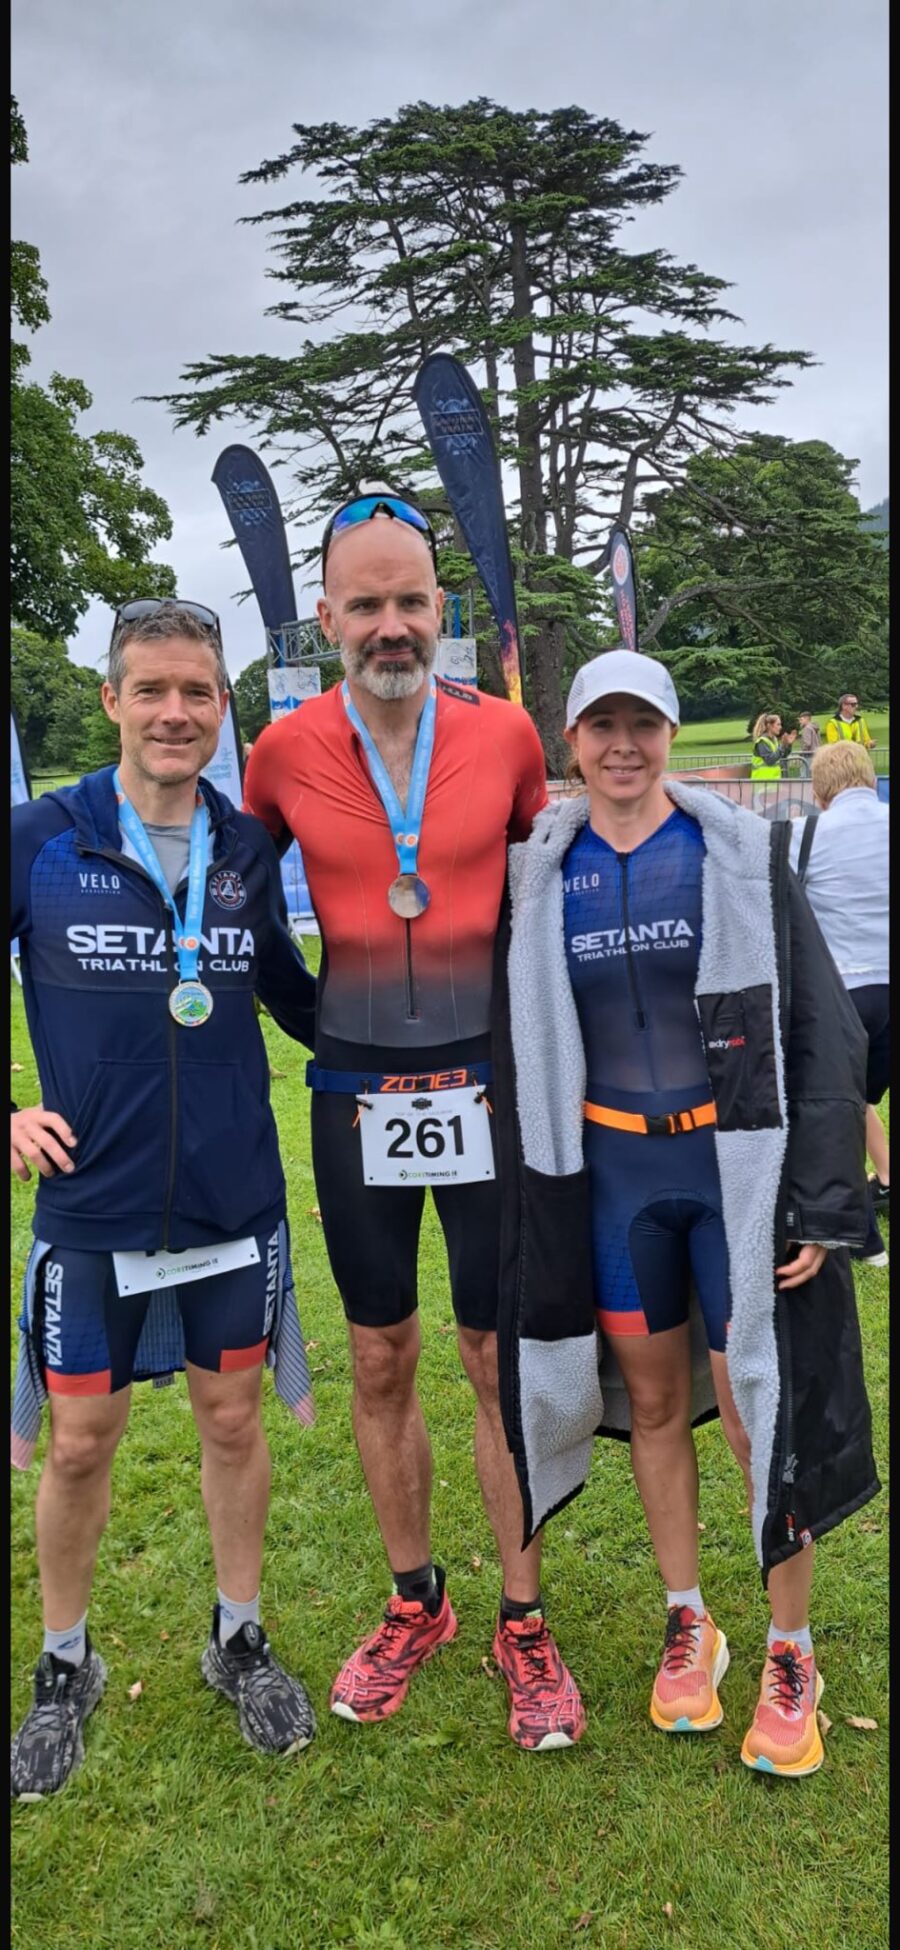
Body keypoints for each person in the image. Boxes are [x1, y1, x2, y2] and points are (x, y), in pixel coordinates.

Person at [491, 646, 879, 1778]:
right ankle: (688, 1619)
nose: (624, 747)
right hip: (613, 1180)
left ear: (668, 734)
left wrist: (821, 1201)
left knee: (761, 1411)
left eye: (644, 725)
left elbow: (825, 1029)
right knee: (654, 1407)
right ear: (572, 742)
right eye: (602, 727)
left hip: (731, 1176)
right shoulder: (539, 877)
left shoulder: (739, 856)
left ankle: (792, 1649)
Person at [243, 484, 585, 1751]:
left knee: (496, 1357)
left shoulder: (505, 737)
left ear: (440, 610)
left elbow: (548, 894)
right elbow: (237, 899)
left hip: (486, 1090)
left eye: (408, 603)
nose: (389, 626)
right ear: (327, 616)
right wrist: (313, 1018)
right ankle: (415, 1601)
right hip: (355, 1098)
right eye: (365, 605)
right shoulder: (282, 753)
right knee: (381, 1357)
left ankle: (523, 1618)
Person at [10, 600, 319, 1799]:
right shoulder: (43, 837)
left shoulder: (247, 850)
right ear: (112, 702)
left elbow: (290, 992)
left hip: (232, 1207)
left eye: (198, 691)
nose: (176, 712)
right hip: (93, 1208)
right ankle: (65, 1661)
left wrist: (417, 1053)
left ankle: (237, 1636)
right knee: (81, 1444)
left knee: (232, 1424)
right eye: (152, 689)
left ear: (223, 707)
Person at [790, 742, 890, 1266]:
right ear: (870, 778)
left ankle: (864, 1238)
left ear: (819, 790)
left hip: (845, 992)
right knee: (860, 1100)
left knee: (835, 1110)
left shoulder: (806, 835)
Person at [749, 711, 797, 779]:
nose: (780, 727)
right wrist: (782, 746)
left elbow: (782, 756)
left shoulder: (774, 740)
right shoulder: (762, 741)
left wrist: (788, 745)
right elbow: (770, 760)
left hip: (773, 780)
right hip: (762, 780)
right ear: (769, 726)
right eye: (778, 724)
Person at [795, 712, 820, 779]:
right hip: (815, 755)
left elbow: (807, 744)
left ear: (807, 719)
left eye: (801, 719)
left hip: (808, 756)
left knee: (805, 777)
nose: (800, 722)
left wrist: (801, 753)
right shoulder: (814, 728)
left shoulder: (807, 728)